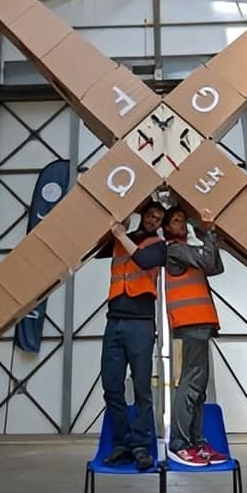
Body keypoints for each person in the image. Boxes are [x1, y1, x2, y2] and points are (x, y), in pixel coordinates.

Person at [95, 202, 167, 471]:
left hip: (141, 324)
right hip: (114, 321)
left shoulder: (158, 246)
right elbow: (92, 250)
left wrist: (120, 233)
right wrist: (117, 222)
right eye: (150, 215)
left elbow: (144, 260)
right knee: (111, 385)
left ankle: (140, 445)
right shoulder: (119, 239)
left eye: (158, 218)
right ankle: (121, 444)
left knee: (141, 389)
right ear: (142, 214)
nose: (153, 220)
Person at [162, 206, 229, 467]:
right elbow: (208, 261)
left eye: (182, 220)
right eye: (176, 221)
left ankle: (195, 441)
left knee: (198, 388)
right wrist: (210, 230)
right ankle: (180, 443)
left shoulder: (189, 249)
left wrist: (205, 235)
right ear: (167, 229)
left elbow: (215, 267)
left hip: (198, 325)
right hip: (189, 325)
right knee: (190, 385)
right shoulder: (176, 250)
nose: (181, 224)